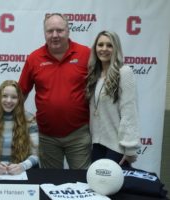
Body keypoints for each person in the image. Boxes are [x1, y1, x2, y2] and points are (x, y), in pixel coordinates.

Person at [18, 13, 91, 169]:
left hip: (78, 134)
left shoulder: (86, 54)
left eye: (60, 30)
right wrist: (14, 122)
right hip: (46, 136)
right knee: (50, 183)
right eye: (50, 31)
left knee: (82, 182)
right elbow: (20, 93)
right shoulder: (34, 58)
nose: (55, 35)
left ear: (68, 31)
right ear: (44, 33)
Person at [85, 30, 140, 167]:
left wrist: (130, 148)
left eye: (109, 45)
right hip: (97, 145)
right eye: (100, 45)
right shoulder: (95, 75)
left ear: (116, 48)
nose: (104, 49)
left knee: (115, 188)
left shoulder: (124, 72)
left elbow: (129, 112)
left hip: (117, 148)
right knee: (97, 187)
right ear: (95, 48)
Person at [0, 80, 39, 175]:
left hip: (21, 173)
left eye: (14, 97)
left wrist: (22, 166)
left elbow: (35, 155)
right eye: (5, 96)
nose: (9, 100)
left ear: (19, 99)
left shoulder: (30, 120)